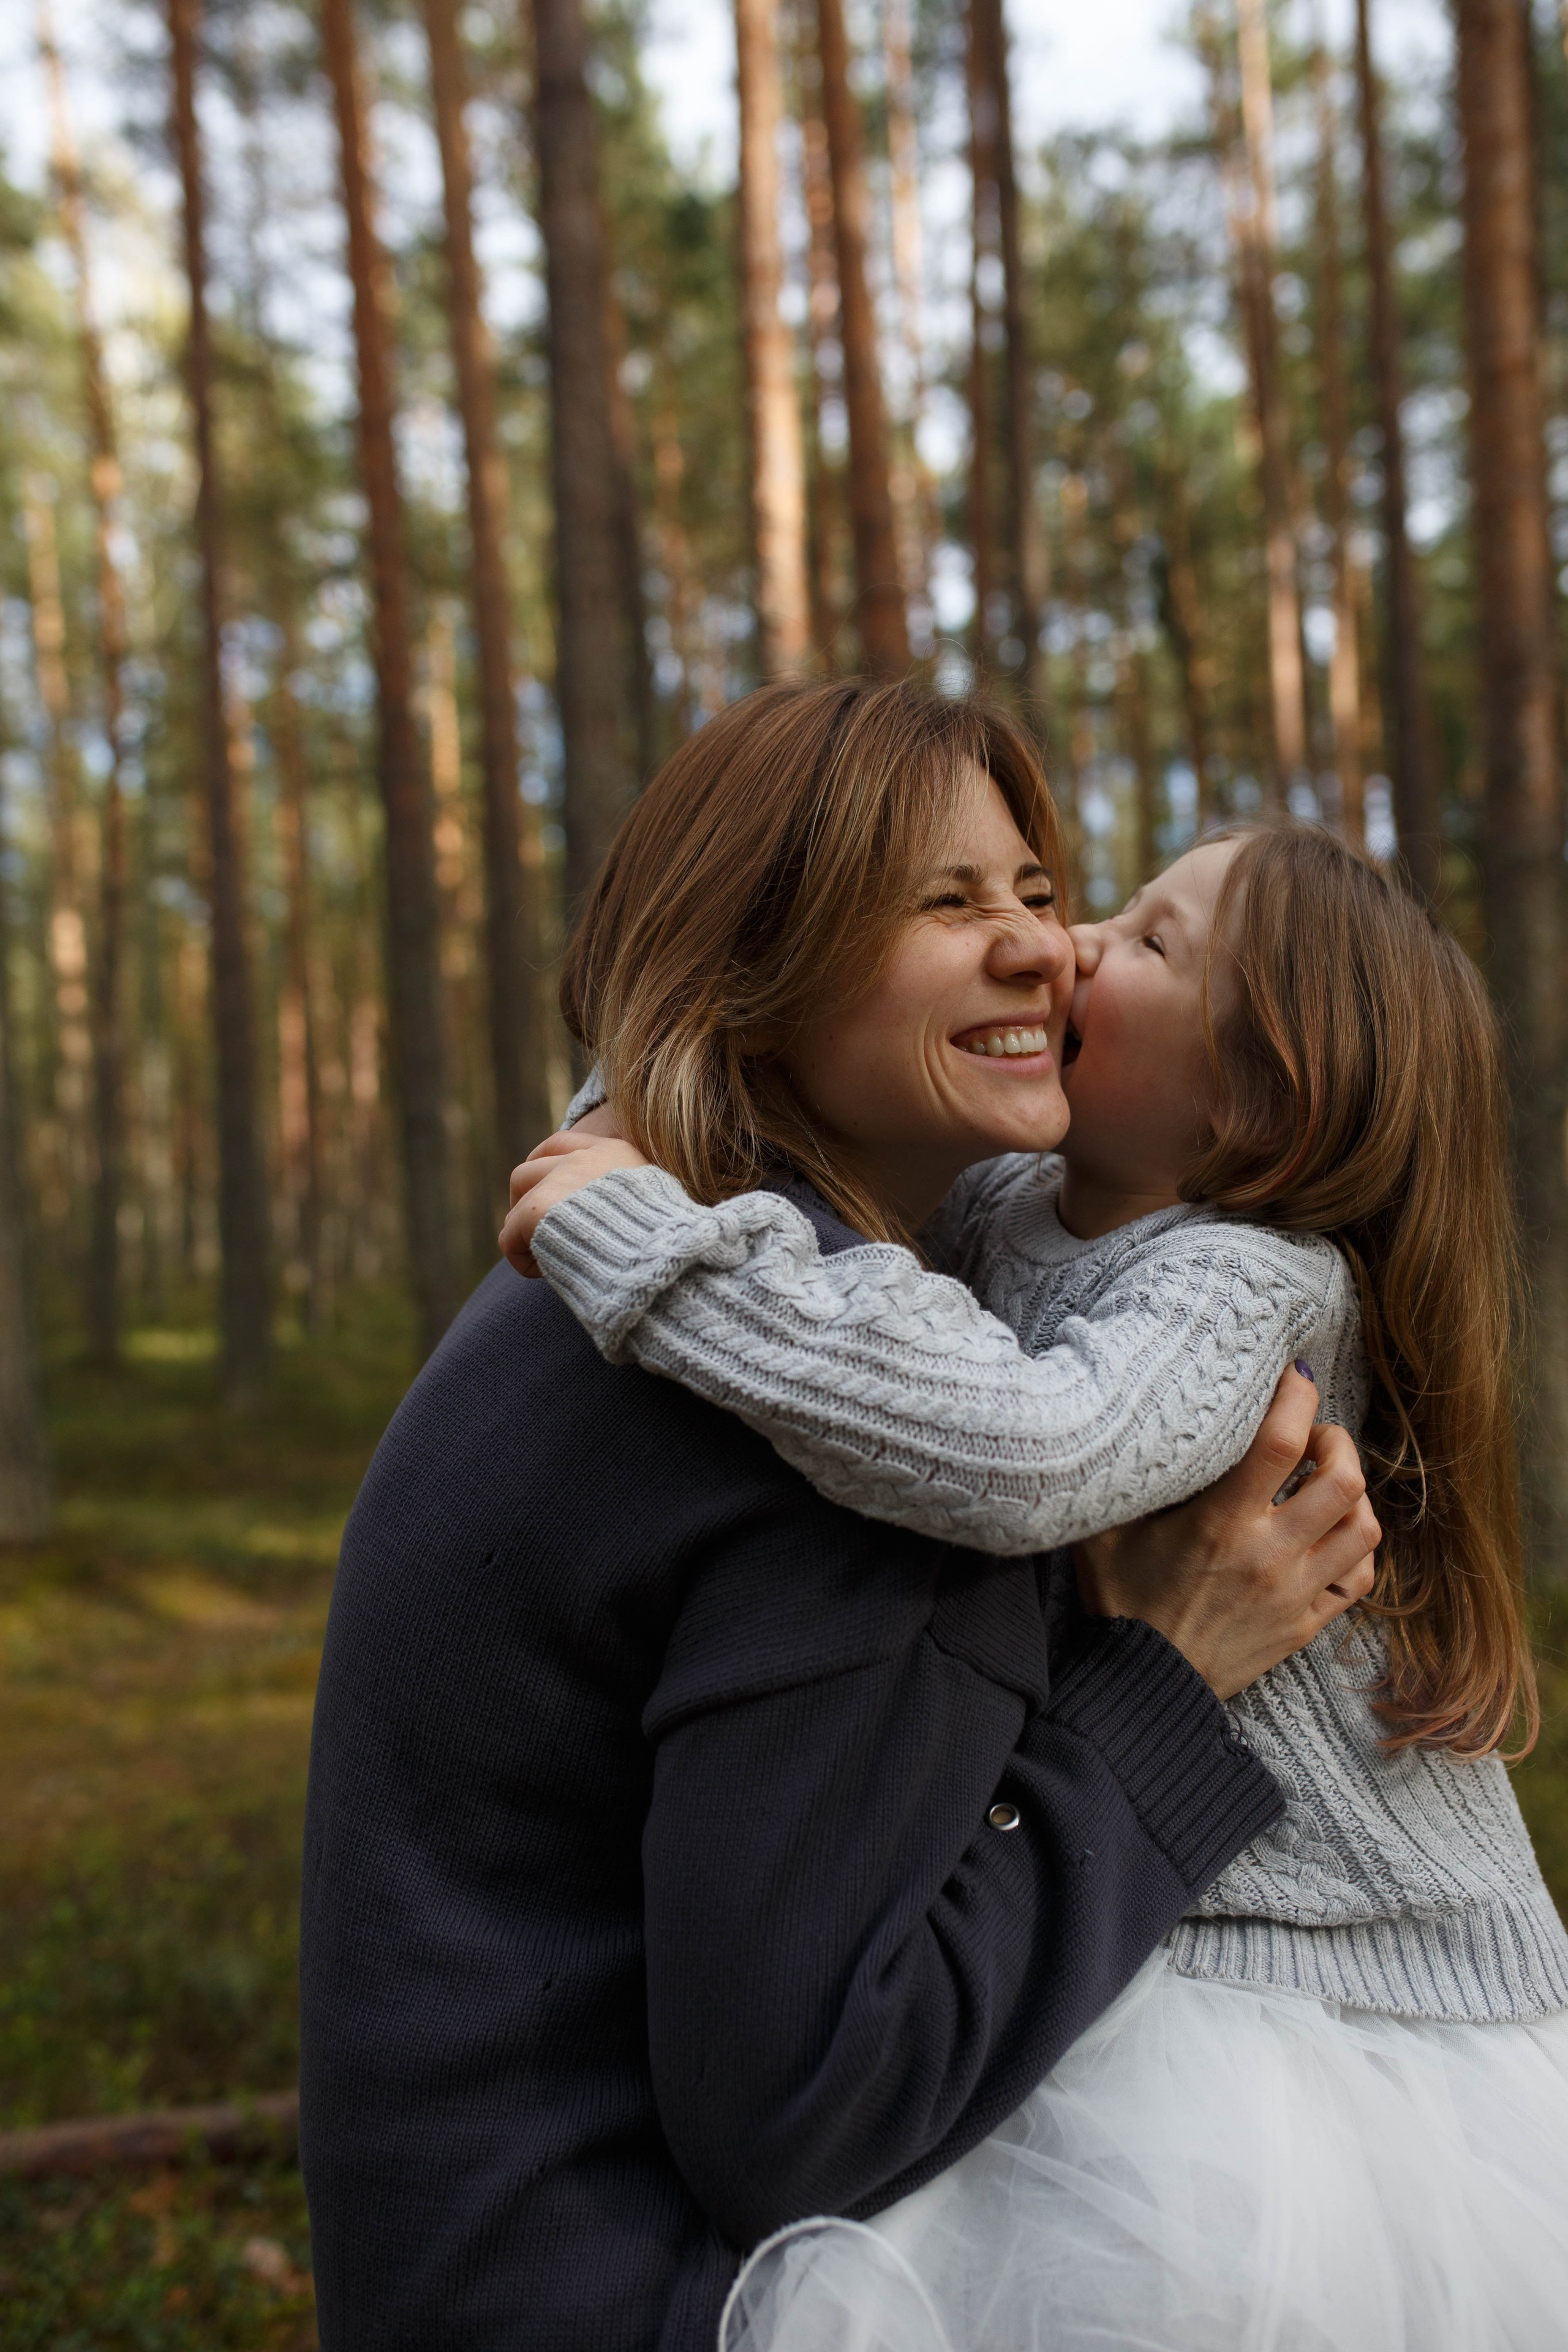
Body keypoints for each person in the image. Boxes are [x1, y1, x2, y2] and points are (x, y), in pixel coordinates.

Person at [298, 682, 1378, 2352]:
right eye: (945, 903)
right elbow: (815, 2113)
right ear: (754, 970)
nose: (1044, 948)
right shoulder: (835, 1413)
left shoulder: (694, 1265)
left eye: (1034, 888)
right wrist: (1166, 1681)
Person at [503, 818, 1568, 2350]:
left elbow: (1022, 1449)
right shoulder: (1012, 1208)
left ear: (1260, 1094)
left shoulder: (1244, 1281)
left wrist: (640, 1244)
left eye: (1144, 942)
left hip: (1317, 1993)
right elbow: (810, 1210)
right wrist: (638, 1112)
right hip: (1136, 1906)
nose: (1072, 946)